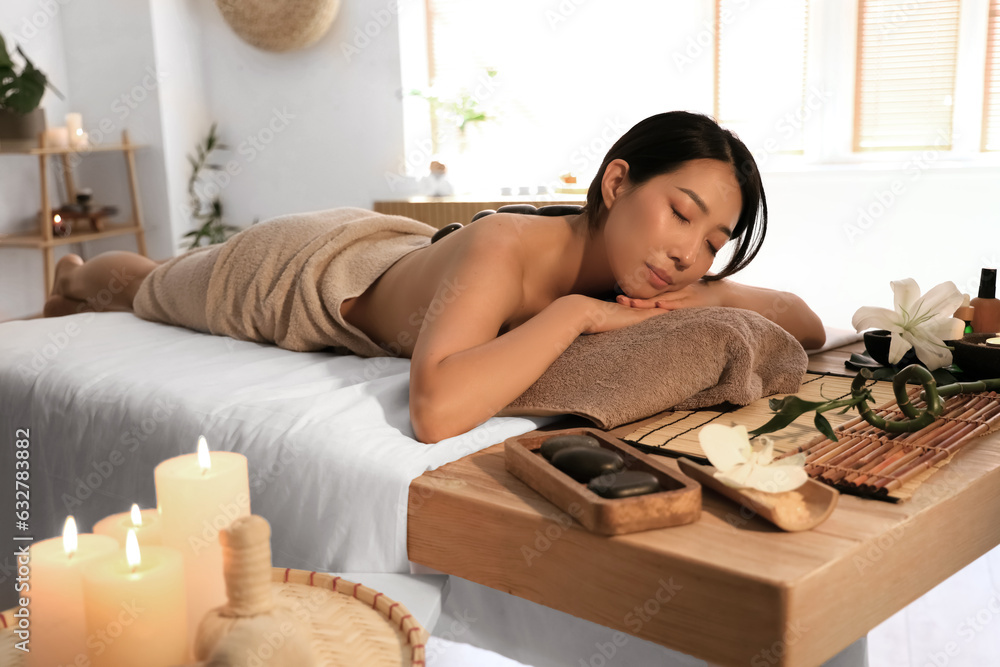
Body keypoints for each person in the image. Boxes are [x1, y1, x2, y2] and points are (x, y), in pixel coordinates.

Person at [44, 111, 825, 443]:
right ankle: (76, 275)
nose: (692, 250)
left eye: (715, 239)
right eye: (681, 212)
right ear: (618, 183)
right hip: (301, 271)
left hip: (408, 250)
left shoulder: (668, 271)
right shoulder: (508, 247)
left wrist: (707, 290)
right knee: (150, 281)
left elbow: (803, 319)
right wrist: (579, 317)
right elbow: (437, 408)